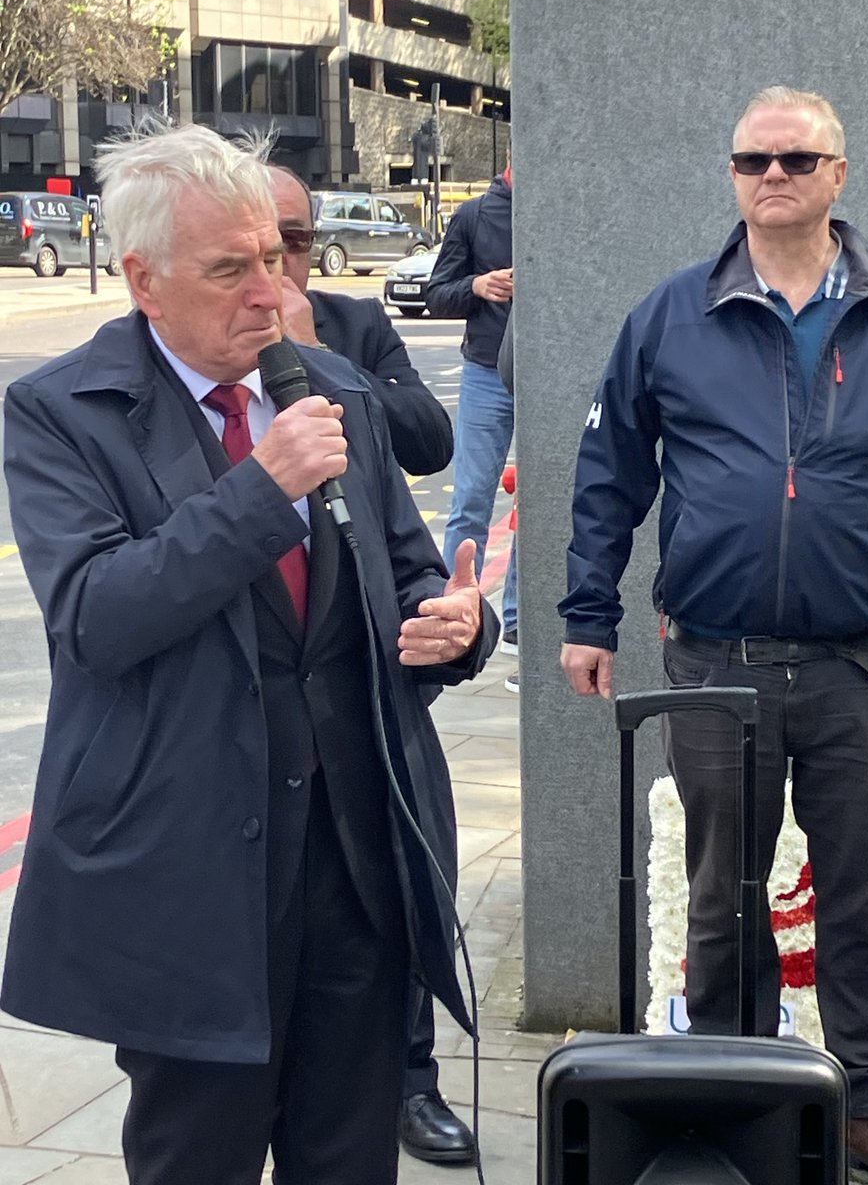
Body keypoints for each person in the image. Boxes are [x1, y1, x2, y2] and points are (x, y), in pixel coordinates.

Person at [1, 120, 499, 1185]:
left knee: (348, 1155)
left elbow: (405, 568)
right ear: (143, 280)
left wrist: (455, 626)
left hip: (354, 853)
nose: (269, 295)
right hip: (195, 869)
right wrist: (259, 490)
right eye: (230, 270)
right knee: (200, 1156)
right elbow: (96, 616)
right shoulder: (61, 413)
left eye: (275, 258)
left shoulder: (330, 384)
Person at [559, 85, 868, 1184]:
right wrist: (586, 613)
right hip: (716, 660)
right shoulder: (672, 314)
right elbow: (609, 473)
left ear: (840, 175)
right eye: (754, 159)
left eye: (799, 160)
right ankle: (733, 1089)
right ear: (734, 175)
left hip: (866, 663)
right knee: (722, 891)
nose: (775, 176)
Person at [269, 163, 476, 1165]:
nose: (280, 264)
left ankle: (413, 1079)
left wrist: (312, 367)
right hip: (268, 747)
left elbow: (432, 441)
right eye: (256, 244)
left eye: (296, 241)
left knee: (390, 908)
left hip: (371, 714)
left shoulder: (350, 330)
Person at [268, 165, 453, 479]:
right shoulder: (197, 334)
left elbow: (432, 448)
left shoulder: (358, 323)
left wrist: (319, 355)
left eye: (294, 239)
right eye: (262, 242)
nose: (276, 257)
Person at [425, 147, 517, 666]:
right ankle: (452, 615)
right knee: (471, 500)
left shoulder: (562, 208)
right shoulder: (476, 214)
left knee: (539, 504)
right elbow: (436, 294)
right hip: (486, 372)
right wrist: (478, 286)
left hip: (543, 374)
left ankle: (518, 624)